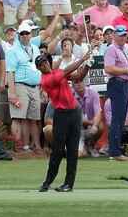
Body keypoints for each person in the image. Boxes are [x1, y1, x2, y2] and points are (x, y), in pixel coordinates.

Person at [35, 47, 93, 192]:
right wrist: (84, 58)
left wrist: (88, 65)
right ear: (39, 69)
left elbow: (78, 76)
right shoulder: (46, 80)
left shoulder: (57, 73)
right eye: (41, 65)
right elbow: (67, 70)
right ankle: (48, 181)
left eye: (45, 63)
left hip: (75, 112)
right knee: (58, 150)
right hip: (61, 114)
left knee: (72, 150)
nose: (45, 65)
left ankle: (69, 184)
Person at [6, 23, 43, 152]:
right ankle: (17, 147)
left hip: (35, 87)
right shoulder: (13, 51)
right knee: (18, 117)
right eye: (22, 34)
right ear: (19, 35)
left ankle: (33, 146)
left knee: (33, 118)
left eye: (27, 33)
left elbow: (39, 68)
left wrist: (41, 86)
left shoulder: (35, 48)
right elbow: (10, 72)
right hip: (19, 86)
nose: (25, 36)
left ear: (31, 34)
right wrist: (11, 92)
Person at [103, 25, 128, 161]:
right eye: (120, 35)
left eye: (125, 35)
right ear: (114, 35)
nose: (123, 37)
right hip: (117, 84)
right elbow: (108, 69)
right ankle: (115, 152)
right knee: (117, 119)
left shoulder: (122, 49)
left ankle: (116, 150)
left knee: (119, 119)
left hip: (123, 84)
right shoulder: (112, 49)